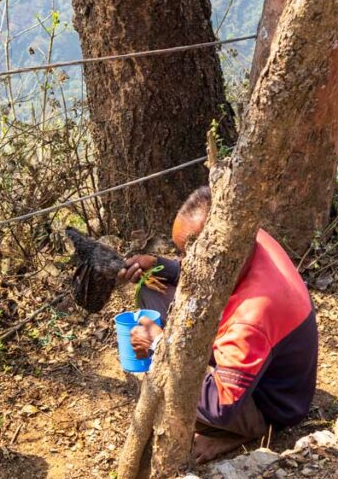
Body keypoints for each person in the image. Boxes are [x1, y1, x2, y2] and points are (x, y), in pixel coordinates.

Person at [119, 186, 318, 463]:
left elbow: (220, 405)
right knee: (154, 286)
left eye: (190, 254)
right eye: (182, 254)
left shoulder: (252, 317)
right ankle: (188, 360)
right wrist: (159, 264)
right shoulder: (244, 235)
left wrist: (159, 346)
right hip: (263, 364)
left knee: (170, 392)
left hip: (274, 405)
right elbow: (198, 267)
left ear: (217, 250)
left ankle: (245, 432)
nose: (185, 262)